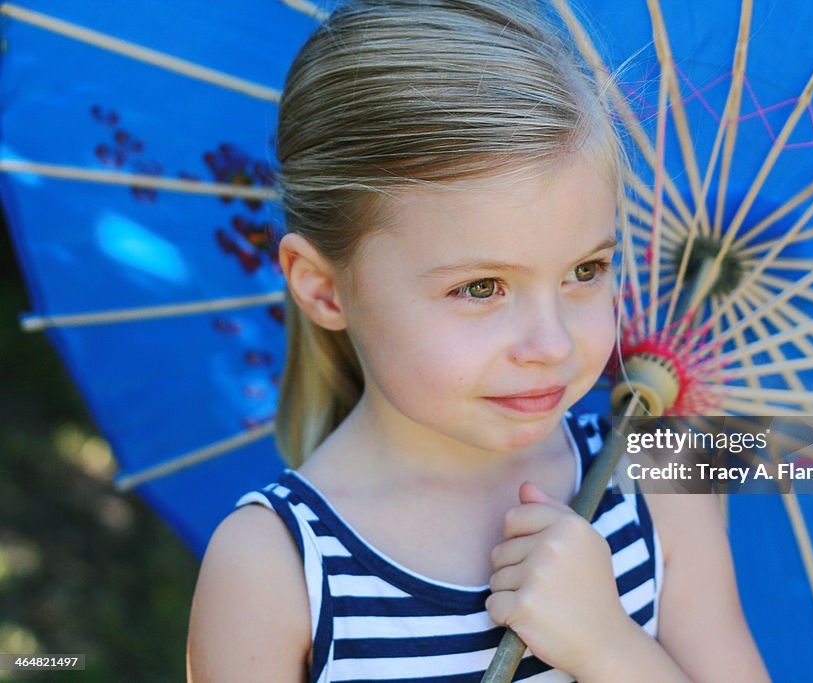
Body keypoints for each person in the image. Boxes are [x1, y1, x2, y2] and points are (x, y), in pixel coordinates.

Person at [187, 1, 769, 681]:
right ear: (323, 288)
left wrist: (609, 647)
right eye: (482, 287)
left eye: (585, 270)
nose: (550, 343)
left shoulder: (659, 484)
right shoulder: (272, 570)